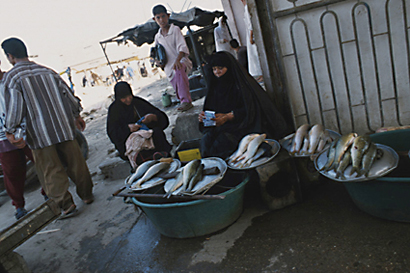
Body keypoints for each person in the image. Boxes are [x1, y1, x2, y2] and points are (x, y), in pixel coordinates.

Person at [1, 37, 94, 219]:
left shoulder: (12, 78)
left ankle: (66, 206)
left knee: (51, 170)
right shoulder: (47, 71)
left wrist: (10, 130)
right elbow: (68, 95)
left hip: (38, 135)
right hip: (64, 128)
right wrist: (77, 115)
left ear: (10, 56)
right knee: (77, 165)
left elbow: (15, 108)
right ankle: (87, 195)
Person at [198, 51, 288, 159]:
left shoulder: (240, 86)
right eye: (214, 69)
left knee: (222, 143)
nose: (217, 72)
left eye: (220, 68)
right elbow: (211, 110)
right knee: (205, 142)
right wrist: (205, 118)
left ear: (229, 68)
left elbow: (251, 109)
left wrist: (228, 116)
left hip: (242, 126)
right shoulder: (215, 88)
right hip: (221, 127)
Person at [107, 81, 172, 169]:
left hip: (147, 138)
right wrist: (128, 129)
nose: (128, 99)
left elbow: (164, 120)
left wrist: (153, 117)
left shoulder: (137, 102)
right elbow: (112, 133)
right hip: (129, 144)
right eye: (124, 98)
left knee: (157, 133)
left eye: (129, 96)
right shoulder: (114, 110)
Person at [152, 4, 193, 112]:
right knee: (177, 87)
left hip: (181, 61)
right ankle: (183, 101)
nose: (161, 20)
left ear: (168, 16)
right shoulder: (157, 37)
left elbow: (182, 47)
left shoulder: (175, 29)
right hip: (169, 67)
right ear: (154, 19)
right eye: (158, 17)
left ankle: (186, 102)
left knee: (179, 69)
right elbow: (156, 53)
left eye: (163, 16)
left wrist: (177, 60)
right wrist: (158, 62)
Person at [241, 0, 263, 83]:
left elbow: (251, 23)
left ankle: (262, 74)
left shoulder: (247, 8)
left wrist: (251, 36)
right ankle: (261, 74)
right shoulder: (246, 8)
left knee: (256, 55)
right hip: (250, 34)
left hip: (252, 34)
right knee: (254, 56)